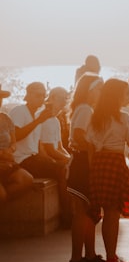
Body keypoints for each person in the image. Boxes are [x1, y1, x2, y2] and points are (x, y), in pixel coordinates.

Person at [86, 78, 129, 262]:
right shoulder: (123, 117)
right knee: (112, 214)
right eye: (127, 94)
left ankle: (111, 256)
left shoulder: (96, 117)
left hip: (99, 163)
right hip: (115, 163)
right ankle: (111, 259)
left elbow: (90, 144)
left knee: (105, 211)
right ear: (117, 96)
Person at [11, 82, 72, 227]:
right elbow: (16, 135)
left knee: (67, 167)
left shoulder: (37, 116)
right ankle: (67, 217)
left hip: (33, 158)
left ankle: (73, 212)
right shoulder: (20, 111)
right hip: (22, 159)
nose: (42, 98)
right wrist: (39, 121)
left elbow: (39, 146)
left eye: (43, 95)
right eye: (38, 95)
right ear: (28, 95)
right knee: (62, 170)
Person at [67, 73, 104, 262]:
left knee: (89, 212)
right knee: (81, 212)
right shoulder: (84, 109)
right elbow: (79, 136)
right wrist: (93, 151)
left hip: (83, 161)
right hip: (82, 163)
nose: (101, 92)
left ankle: (89, 254)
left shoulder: (85, 109)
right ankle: (76, 258)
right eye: (99, 88)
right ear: (90, 90)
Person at [38, 86, 73, 226]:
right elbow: (49, 150)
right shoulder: (45, 118)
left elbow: (60, 147)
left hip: (51, 157)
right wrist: (69, 161)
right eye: (61, 99)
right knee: (65, 170)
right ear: (52, 98)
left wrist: (70, 159)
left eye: (66, 99)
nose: (64, 102)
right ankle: (67, 215)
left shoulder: (55, 120)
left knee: (74, 167)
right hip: (42, 159)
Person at [0, 84, 34, 204]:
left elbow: (14, 142)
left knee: (27, 180)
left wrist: (10, 150)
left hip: (6, 161)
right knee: (1, 196)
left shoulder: (6, 118)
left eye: (0, 97)